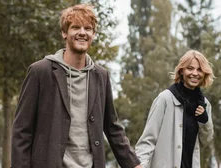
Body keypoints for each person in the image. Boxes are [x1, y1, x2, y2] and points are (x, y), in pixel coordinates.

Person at [11, 4, 142, 168]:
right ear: (64, 33)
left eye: (88, 28)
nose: (82, 32)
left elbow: (112, 128)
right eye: (75, 27)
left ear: (93, 34)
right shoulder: (40, 72)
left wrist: (134, 165)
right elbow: (22, 131)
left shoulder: (101, 76)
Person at [135, 50, 215, 168]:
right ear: (181, 71)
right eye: (190, 68)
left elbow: (206, 141)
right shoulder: (165, 98)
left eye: (199, 70)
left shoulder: (204, 104)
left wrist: (204, 121)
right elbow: (148, 140)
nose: (195, 73)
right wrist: (140, 164)